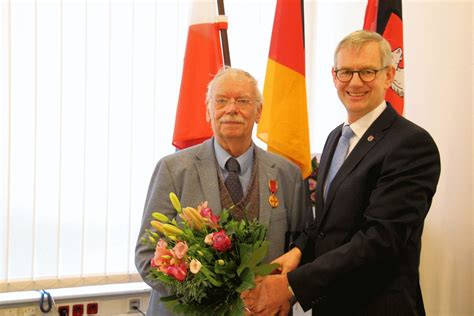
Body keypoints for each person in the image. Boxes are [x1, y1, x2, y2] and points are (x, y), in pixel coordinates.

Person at [242, 30, 441, 315]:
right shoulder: (336, 137)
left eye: (367, 72)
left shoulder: (410, 144)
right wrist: (297, 253)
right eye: (346, 72)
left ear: (388, 75)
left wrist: (291, 286)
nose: (355, 82)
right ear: (334, 76)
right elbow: (326, 223)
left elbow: (380, 241)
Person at [135, 67, 307, 315]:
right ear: (208, 111)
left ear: (258, 112)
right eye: (221, 101)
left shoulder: (287, 174)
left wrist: (282, 297)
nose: (231, 109)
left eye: (243, 101)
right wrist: (209, 297)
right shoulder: (173, 170)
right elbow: (146, 256)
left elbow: (300, 250)